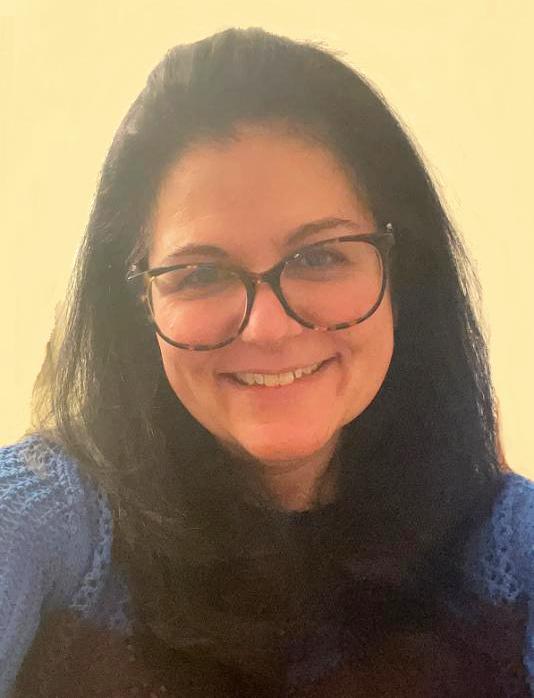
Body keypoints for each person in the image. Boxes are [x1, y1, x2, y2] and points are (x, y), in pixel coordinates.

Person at [1, 26, 533, 697]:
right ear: (139, 306)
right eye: (200, 274)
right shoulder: (47, 520)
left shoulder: (508, 550)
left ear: (403, 276)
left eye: (320, 257)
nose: (268, 328)